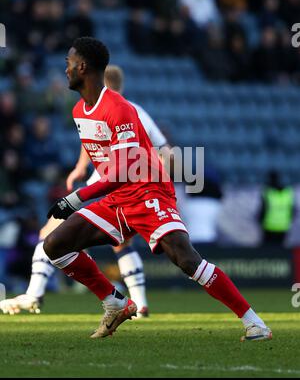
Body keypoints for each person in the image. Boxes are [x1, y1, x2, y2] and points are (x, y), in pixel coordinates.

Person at [11, 37, 271, 340]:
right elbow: (104, 160)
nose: (65, 68)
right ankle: (115, 303)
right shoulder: (80, 111)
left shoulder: (119, 109)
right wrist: (83, 175)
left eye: (68, 62)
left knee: (186, 260)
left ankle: (255, 322)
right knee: (54, 245)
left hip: (149, 192)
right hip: (117, 198)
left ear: (82, 67)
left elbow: (123, 170)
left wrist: (77, 197)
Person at [0, 65, 171, 317]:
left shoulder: (104, 107)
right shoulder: (137, 111)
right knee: (122, 243)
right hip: (135, 186)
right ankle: (141, 302)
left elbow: (93, 140)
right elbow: (165, 151)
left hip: (105, 182)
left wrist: (80, 169)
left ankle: (34, 293)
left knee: (51, 230)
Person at [260, 170, 295, 246]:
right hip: (284, 226)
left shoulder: (268, 192)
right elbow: (293, 210)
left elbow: (263, 210)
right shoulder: (288, 192)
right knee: (280, 250)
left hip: (269, 226)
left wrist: (260, 220)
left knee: (268, 251)